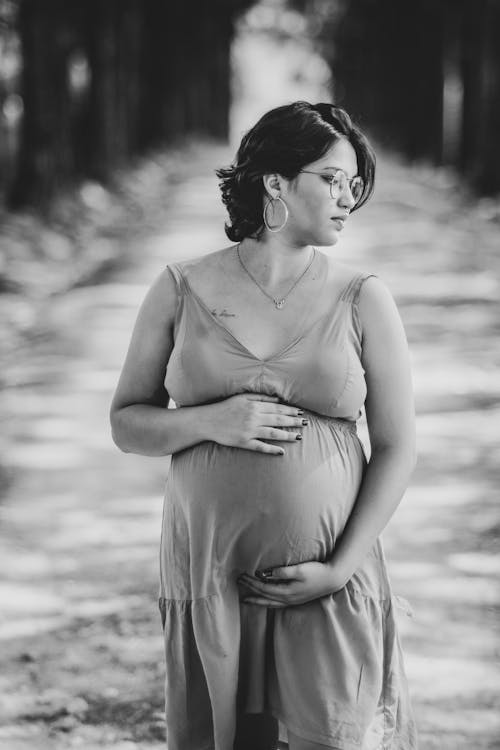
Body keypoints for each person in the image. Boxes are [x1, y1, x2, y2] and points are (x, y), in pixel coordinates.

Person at [109, 101, 418, 750]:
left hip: (328, 584)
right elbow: (128, 424)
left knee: (328, 735)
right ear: (275, 182)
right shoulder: (181, 288)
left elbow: (396, 446)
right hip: (213, 576)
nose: (347, 199)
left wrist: (339, 568)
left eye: (354, 185)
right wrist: (211, 419)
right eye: (332, 179)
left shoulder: (363, 296)